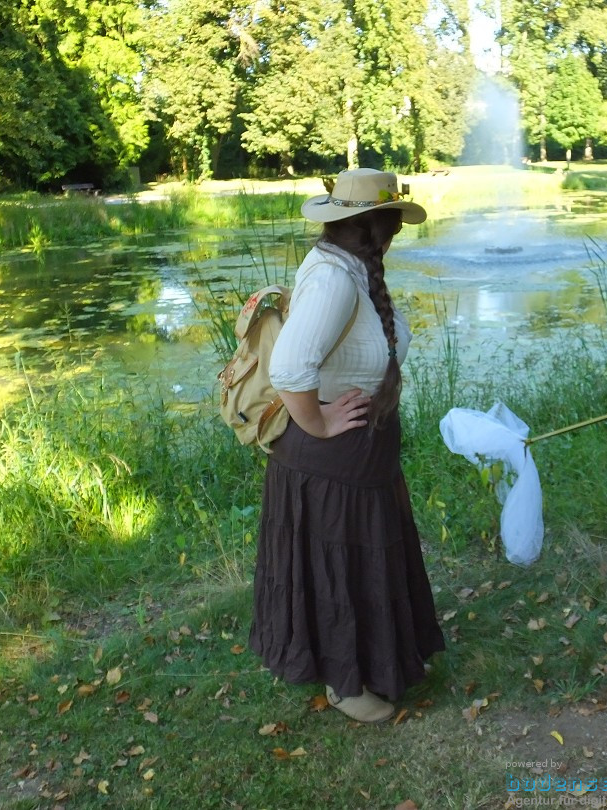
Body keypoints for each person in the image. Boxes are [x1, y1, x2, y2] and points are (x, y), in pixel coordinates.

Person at [248, 168, 445, 724]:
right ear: (376, 225)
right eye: (393, 223)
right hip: (333, 466)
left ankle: (374, 664)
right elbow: (290, 367)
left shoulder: (351, 269)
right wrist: (320, 424)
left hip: (359, 460)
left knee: (361, 569)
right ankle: (345, 683)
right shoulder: (335, 278)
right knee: (339, 573)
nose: (397, 234)